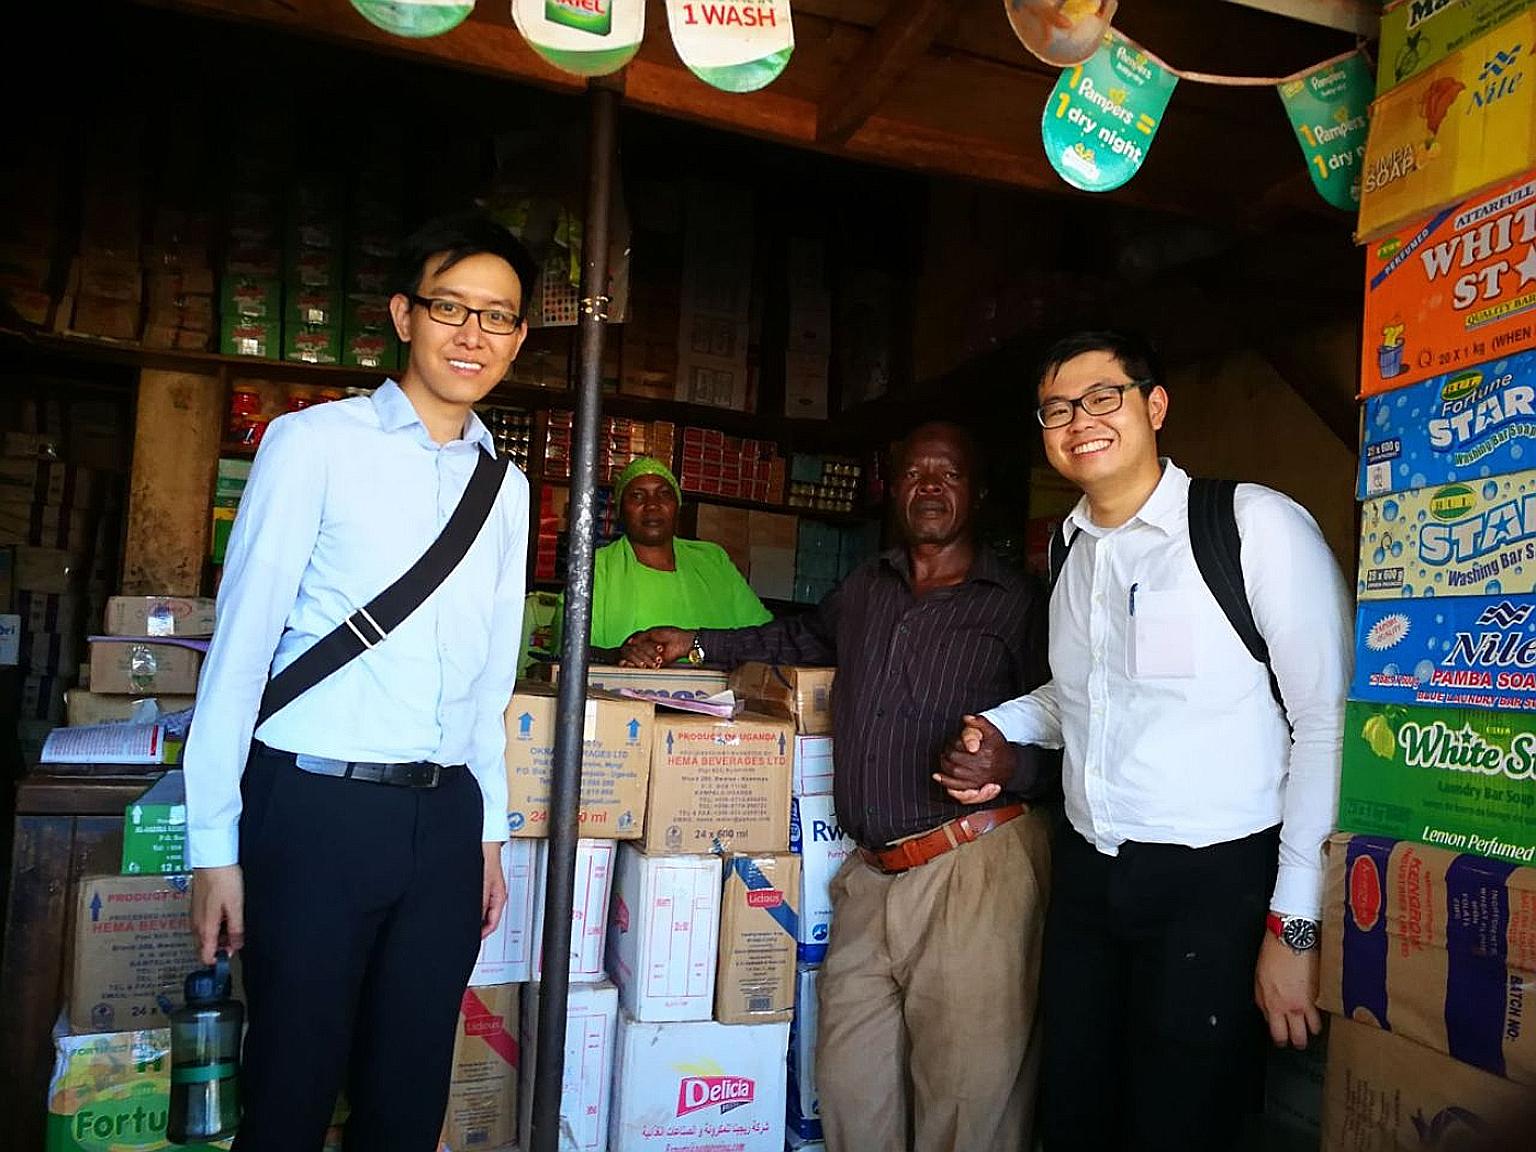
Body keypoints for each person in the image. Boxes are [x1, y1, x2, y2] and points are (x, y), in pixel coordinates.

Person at [941, 330, 1351, 1152]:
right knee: (1077, 1108)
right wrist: (1000, 726)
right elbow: (1080, 695)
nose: (1079, 421)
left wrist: (1293, 925)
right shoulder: (1068, 548)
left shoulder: (1250, 527)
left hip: (1216, 885)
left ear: (1154, 406)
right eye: (1057, 408)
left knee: (1183, 1123)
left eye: (1103, 397)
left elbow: (1325, 721)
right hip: (1090, 877)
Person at [184, 212, 536, 1152]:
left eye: (496, 318)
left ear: (519, 338)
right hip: (313, 810)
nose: (473, 335)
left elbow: (489, 679)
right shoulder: (312, 444)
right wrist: (213, 844)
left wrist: (488, 832)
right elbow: (240, 651)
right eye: (450, 308)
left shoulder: (507, 488)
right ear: (402, 316)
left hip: (445, 822)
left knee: (408, 1096)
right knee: (291, 1090)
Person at [622, 422, 1053, 1152]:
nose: (931, 488)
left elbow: (1074, 730)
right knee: (853, 1090)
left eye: (948, 475)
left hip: (973, 870)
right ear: (893, 489)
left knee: (966, 1101)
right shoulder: (867, 586)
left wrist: (1013, 767)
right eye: (916, 474)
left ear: (976, 494)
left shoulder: (1016, 603)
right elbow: (798, 641)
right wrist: (696, 642)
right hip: (869, 877)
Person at [553, 455, 771, 657]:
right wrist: (615, 656)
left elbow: (765, 637)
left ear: (677, 506)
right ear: (620, 510)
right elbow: (566, 649)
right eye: (637, 496)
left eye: (664, 494)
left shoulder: (712, 560)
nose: (652, 505)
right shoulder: (593, 568)